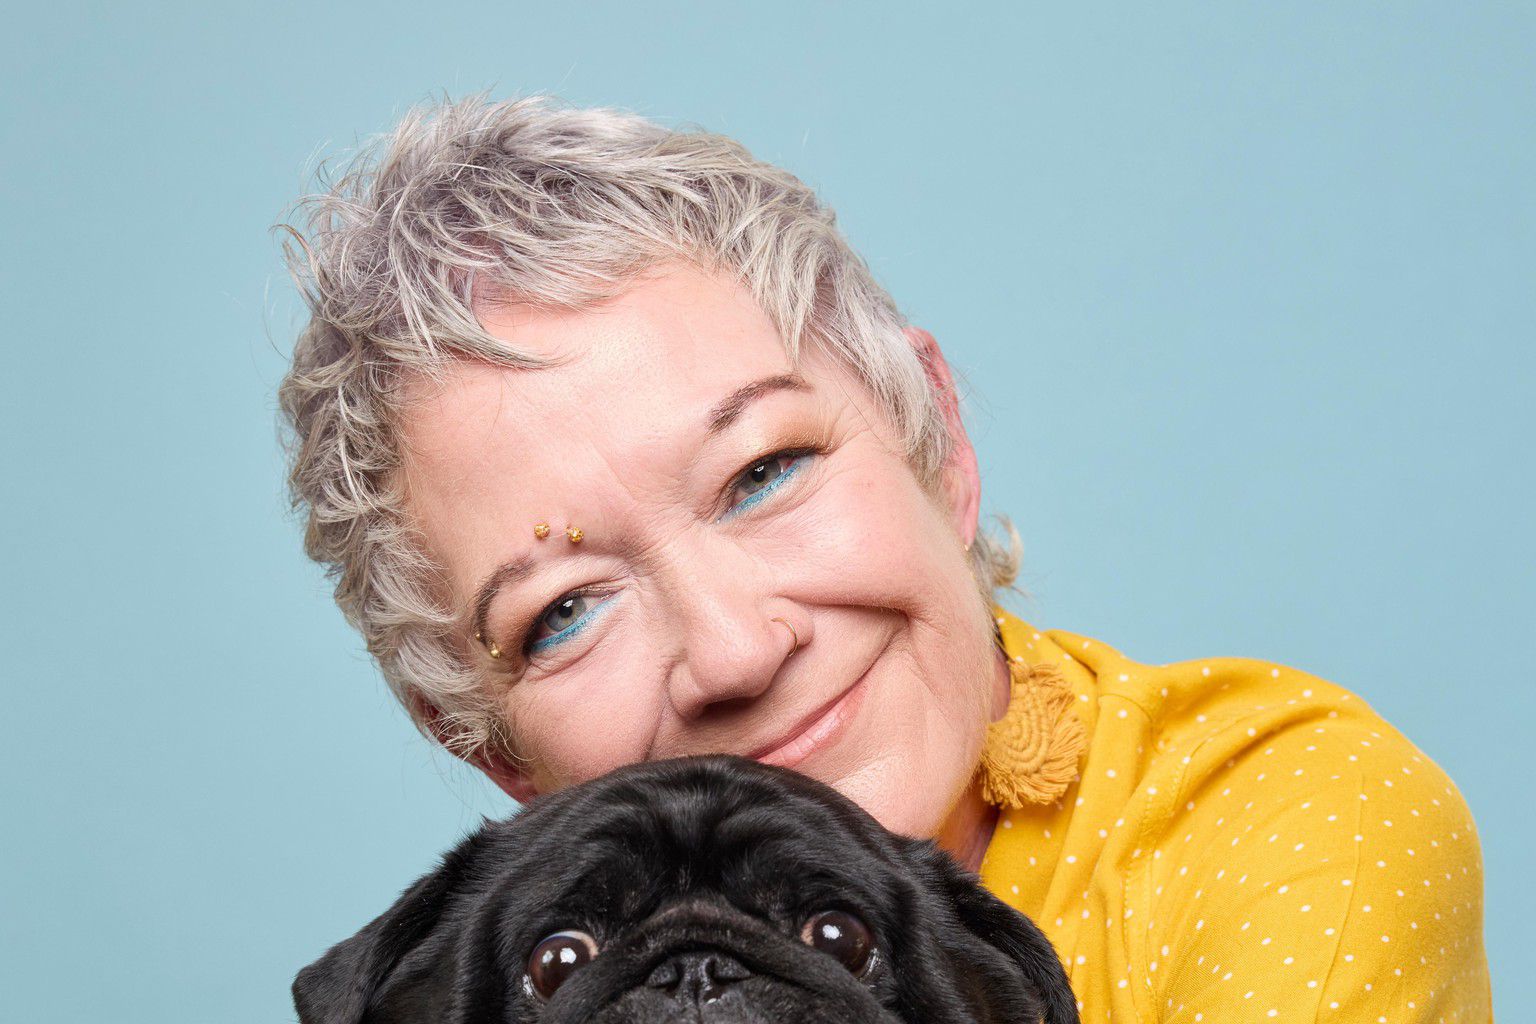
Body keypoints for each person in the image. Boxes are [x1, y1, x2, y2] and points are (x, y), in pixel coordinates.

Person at [277, 94, 1493, 1021]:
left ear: (937, 439)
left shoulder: (1298, 830)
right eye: (567, 610)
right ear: (493, 753)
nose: (736, 647)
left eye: (765, 473)